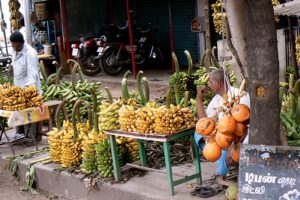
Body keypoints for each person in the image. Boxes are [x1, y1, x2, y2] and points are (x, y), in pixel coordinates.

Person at [194, 68, 250, 176]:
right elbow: (203, 123)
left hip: (240, 139)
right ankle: (218, 152)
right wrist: (199, 99)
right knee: (198, 133)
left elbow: (244, 127)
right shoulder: (216, 99)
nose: (208, 85)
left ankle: (232, 161)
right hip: (224, 140)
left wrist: (233, 147)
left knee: (222, 172)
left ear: (218, 84)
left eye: (210, 82)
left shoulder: (241, 95)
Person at [9, 31, 41, 141]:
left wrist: (27, 90)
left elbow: (32, 74)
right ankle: (20, 134)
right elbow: (15, 62)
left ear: (22, 43)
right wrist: (11, 67)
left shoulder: (30, 53)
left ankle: (32, 137)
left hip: (29, 88)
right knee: (17, 110)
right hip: (18, 87)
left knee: (29, 113)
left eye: (17, 46)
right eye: (13, 46)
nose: (15, 48)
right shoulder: (14, 50)